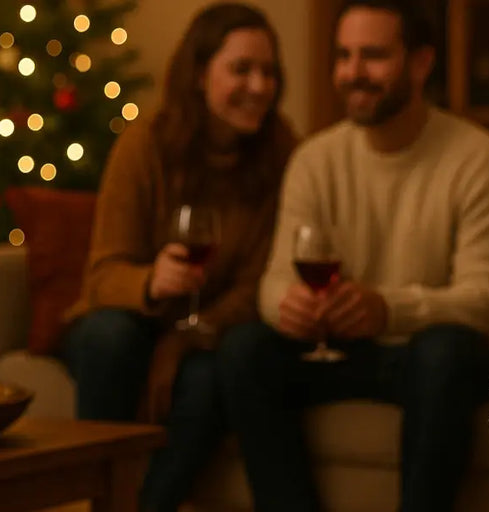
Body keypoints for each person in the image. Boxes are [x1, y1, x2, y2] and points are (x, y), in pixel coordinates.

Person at [215, 0, 489, 510]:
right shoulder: (315, 159)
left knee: (442, 351)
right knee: (244, 349)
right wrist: (288, 305)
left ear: (421, 63)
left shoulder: (478, 157)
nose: (352, 74)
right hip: (343, 351)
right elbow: (271, 284)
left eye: (373, 56)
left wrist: (387, 308)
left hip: (430, 360)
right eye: (343, 56)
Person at [60, 3, 298, 511]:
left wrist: (185, 339)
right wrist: (151, 281)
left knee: (211, 377)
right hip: (129, 324)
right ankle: (98, 496)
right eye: (241, 69)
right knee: (111, 337)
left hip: (209, 332)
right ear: (197, 72)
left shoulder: (282, 154)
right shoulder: (143, 145)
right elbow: (102, 276)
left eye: (269, 71)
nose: (259, 86)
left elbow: (255, 286)